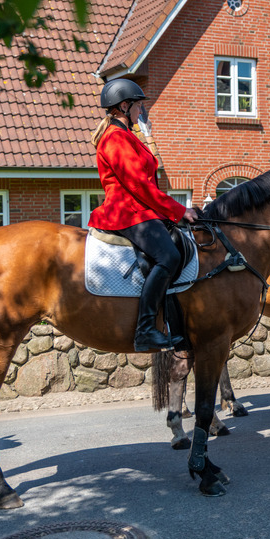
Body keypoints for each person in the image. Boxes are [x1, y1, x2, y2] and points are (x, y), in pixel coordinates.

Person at [89, 78, 200, 352]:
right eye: (138, 107)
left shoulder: (127, 135)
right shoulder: (115, 138)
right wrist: (178, 210)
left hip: (140, 209)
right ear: (124, 106)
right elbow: (139, 185)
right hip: (127, 211)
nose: (141, 112)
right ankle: (146, 330)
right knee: (169, 256)